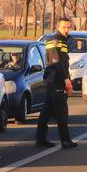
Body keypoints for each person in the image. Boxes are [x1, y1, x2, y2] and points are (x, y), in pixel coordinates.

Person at [36, 17, 78, 149]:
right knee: (62, 112)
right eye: (64, 27)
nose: (67, 30)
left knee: (46, 112)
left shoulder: (63, 41)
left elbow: (64, 63)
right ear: (57, 28)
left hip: (55, 80)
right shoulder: (53, 41)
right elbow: (55, 62)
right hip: (55, 81)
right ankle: (65, 141)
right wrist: (66, 79)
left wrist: (67, 77)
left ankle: (40, 139)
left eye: (68, 27)